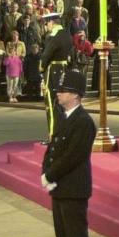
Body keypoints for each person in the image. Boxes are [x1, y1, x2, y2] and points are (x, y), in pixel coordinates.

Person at [41, 68, 96, 237]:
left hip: (73, 188)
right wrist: (46, 171)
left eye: (63, 91)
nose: (58, 94)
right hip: (60, 187)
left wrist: (50, 174)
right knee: (63, 236)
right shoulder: (65, 117)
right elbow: (53, 148)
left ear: (76, 95)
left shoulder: (83, 122)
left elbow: (73, 156)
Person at [40, 12, 73, 141]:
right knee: (64, 104)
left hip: (53, 72)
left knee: (52, 104)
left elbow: (46, 56)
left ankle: (53, 135)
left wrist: (41, 68)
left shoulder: (53, 36)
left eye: (47, 23)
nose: (46, 26)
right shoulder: (67, 34)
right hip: (64, 70)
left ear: (52, 22)